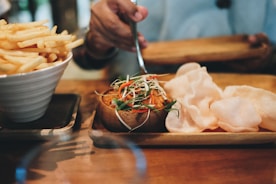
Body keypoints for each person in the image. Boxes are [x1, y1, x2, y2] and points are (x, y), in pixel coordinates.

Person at [73, 0, 276, 80]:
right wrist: (98, 41)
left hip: (253, 110)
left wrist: (269, 59)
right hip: (142, 115)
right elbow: (82, 52)